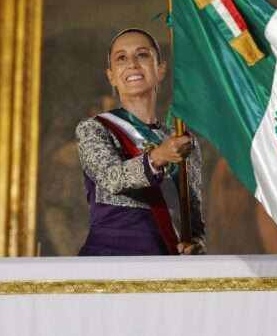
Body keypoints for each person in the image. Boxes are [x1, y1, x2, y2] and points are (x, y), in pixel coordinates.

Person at [75, 28, 205, 256]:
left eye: (142, 55)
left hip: (169, 267)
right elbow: (112, 178)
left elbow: (192, 217)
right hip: (111, 265)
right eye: (121, 58)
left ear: (161, 70)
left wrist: (196, 242)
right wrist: (158, 157)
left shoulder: (182, 141)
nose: (132, 63)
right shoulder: (94, 128)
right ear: (111, 76)